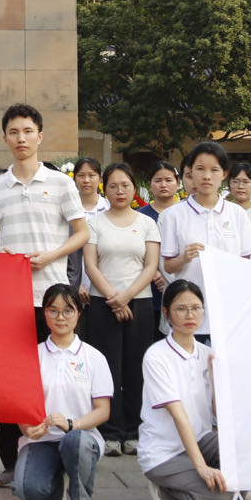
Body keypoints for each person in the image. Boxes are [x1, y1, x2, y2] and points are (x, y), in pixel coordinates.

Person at [0, 103, 90, 487]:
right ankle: (11, 461)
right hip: (11, 300)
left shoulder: (60, 183)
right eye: (14, 132)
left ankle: (61, 452)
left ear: (40, 136)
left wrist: (53, 255)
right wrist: (2, 256)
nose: (21, 138)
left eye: (28, 131)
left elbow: (82, 233)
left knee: (56, 376)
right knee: (10, 379)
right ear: (5, 137)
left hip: (54, 298)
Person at [140, 280, 244, 500]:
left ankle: (220, 498)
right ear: (166, 313)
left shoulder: (208, 354)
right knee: (224, 497)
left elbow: (219, 414)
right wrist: (201, 467)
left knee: (245, 453)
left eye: (196, 308)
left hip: (200, 441)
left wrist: (216, 379)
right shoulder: (157, 356)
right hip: (165, 452)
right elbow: (179, 416)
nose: (190, 315)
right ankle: (167, 496)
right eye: (181, 309)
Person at [79, 162, 161, 457]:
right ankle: (110, 431)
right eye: (113, 186)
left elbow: (151, 265)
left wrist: (126, 296)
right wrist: (114, 298)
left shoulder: (147, 223)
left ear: (134, 188)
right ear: (106, 189)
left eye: (125, 185)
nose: (119, 191)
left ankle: (134, 431)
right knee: (107, 368)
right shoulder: (95, 223)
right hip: (103, 304)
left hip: (139, 302)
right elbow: (91, 265)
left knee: (136, 369)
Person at [14, 283, 111, 500]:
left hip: (81, 437)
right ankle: (56, 488)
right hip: (42, 440)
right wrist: (27, 429)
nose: (60, 317)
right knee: (29, 490)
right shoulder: (31, 356)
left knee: (74, 441)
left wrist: (72, 424)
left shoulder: (94, 357)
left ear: (79, 314)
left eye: (68, 310)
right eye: (53, 310)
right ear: (44, 313)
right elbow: (21, 405)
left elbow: (103, 411)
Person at [157, 142, 251, 342]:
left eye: (214, 170)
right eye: (200, 169)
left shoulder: (237, 214)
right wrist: (184, 258)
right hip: (189, 313)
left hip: (228, 311)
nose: (207, 176)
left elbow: (246, 264)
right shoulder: (173, 215)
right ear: (190, 172)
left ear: (224, 174)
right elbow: (168, 266)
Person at [68, 156, 106, 293]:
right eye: (81, 175)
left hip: (105, 282)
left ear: (100, 178)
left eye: (92, 175)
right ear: (74, 178)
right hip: (73, 282)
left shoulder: (108, 208)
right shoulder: (67, 209)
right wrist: (75, 285)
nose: (86, 180)